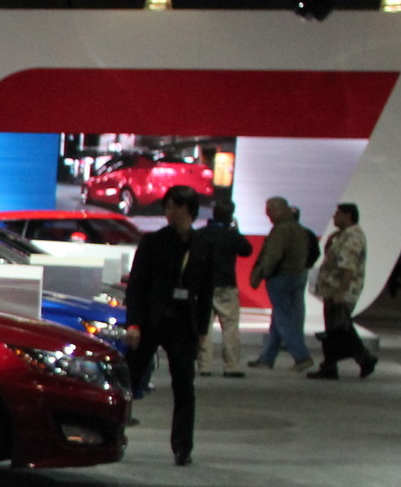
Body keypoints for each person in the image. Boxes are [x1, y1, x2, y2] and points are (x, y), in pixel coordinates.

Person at [124, 185, 209, 465]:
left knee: (184, 386)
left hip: (184, 325)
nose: (169, 212)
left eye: (175, 207)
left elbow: (206, 292)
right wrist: (134, 323)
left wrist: (202, 331)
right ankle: (113, 433)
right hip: (151, 321)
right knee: (129, 382)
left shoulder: (201, 246)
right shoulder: (153, 242)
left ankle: (183, 446)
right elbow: (136, 285)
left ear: (189, 210)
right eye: (167, 207)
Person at [248, 197, 316, 372]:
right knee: (279, 319)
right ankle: (267, 358)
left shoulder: (281, 230)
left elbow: (272, 255)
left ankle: (301, 356)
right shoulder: (300, 229)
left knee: (283, 318)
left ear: (280, 210)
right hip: (297, 275)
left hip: (281, 277)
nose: (268, 215)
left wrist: (262, 272)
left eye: (270, 211)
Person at [309, 201, 375, 379]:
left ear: (348, 216)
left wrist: (341, 292)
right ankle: (331, 365)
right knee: (335, 330)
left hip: (341, 291)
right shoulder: (343, 235)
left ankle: (363, 358)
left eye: (338, 214)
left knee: (341, 329)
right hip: (333, 290)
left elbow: (347, 268)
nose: (334, 217)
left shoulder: (352, 237)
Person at [193, 197, 248, 377]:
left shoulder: (201, 234)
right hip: (226, 284)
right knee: (230, 326)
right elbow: (246, 250)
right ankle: (231, 365)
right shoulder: (231, 235)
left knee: (205, 326)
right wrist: (236, 231)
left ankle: (205, 366)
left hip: (204, 285)